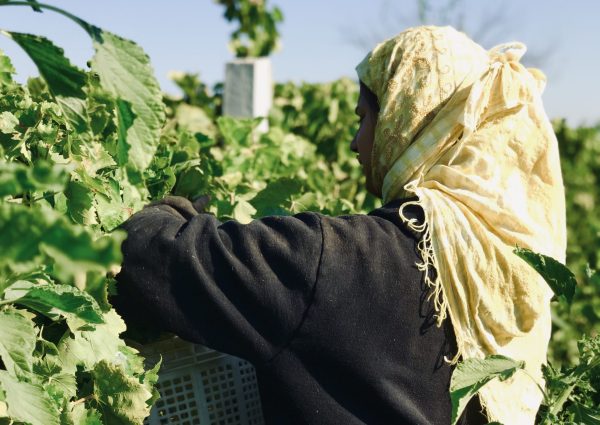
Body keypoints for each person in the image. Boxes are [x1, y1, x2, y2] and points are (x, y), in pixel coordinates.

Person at [112, 25, 565, 425]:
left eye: (364, 118)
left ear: (404, 119)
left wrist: (179, 209)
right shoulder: (506, 270)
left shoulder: (344, 261)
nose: (354, 142)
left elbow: (147, 253)